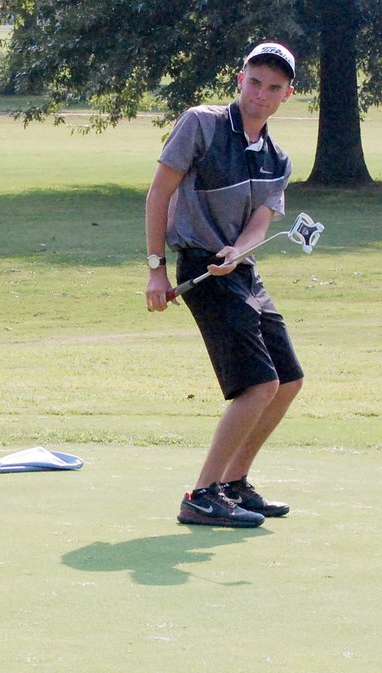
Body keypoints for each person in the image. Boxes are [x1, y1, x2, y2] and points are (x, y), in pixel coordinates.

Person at [144, 42, 304, 528]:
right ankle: (201, 494)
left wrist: (240, 250)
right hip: (199, 266)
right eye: (255, 82)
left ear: (286, 95)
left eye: (273, 87)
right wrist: (155, 268)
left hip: (240, 271)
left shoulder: (277, 157)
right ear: (240, 80)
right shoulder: (202, 124)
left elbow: (260, 220)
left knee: (288, 380)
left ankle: (233, 484)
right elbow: (159, 192)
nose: (261, 94)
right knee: (259, 383)